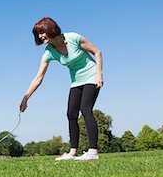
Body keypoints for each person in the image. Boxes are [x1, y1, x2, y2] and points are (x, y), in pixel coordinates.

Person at [19, 17, 103, 161]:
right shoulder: (49, 51)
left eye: (42, 32)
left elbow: (97, 52)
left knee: (85, 109)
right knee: (71, 114)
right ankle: (73, 151)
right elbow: (39, 77)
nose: (40, 36)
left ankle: (93, 151)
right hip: (76, 81)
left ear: (50, 29)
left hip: (91, 76)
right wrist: (26, 96)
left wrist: (99, 75)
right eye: (38, 34)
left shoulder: (73, 38)